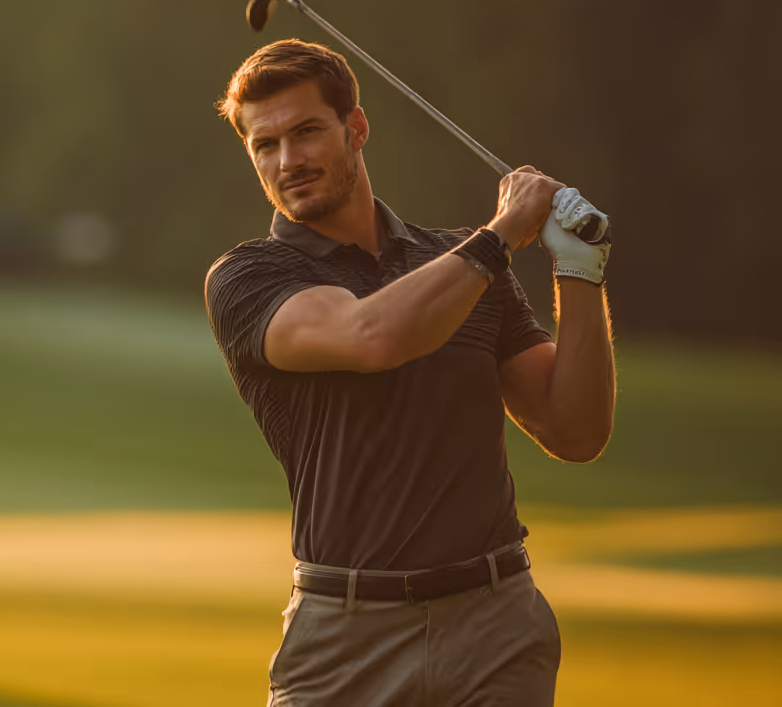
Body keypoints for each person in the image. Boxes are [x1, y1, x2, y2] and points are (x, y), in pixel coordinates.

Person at [204, 39, 615, 706]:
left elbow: (575, 431)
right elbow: (372, 336)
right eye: (265, 145)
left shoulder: (465, 264)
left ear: (356, 128)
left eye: (306, 132)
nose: (289, 161)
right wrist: (503, 234)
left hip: (496, 626)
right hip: (344, 635)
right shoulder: (250, 277)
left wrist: (581, 271)